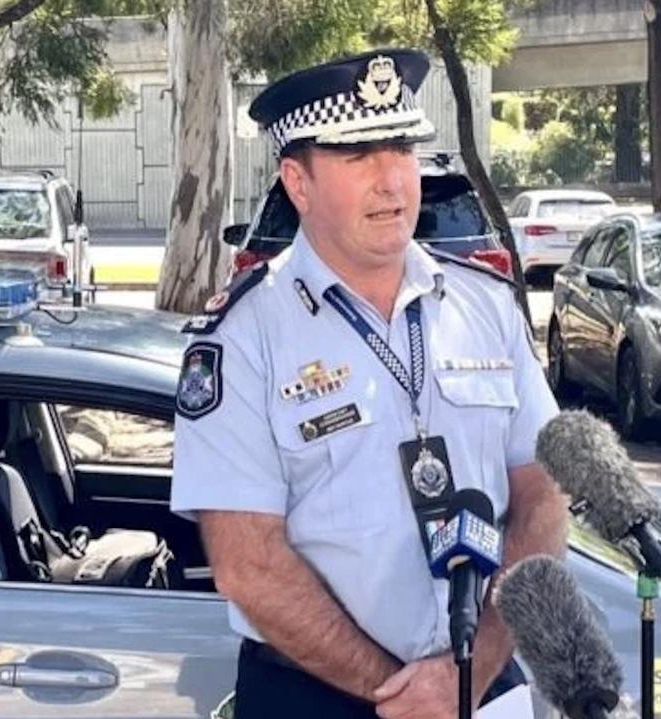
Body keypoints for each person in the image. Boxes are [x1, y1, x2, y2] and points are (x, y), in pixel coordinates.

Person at [171, 49, 567, 719]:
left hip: (484, 682)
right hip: (319, 695)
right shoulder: (241, 338)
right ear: (297, 183)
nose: (392, 182)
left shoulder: (483, 302)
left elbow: (542, 492)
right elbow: (247, 564)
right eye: (359, 158)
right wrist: (403, 693)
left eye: (401, 150)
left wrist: (473, 670)